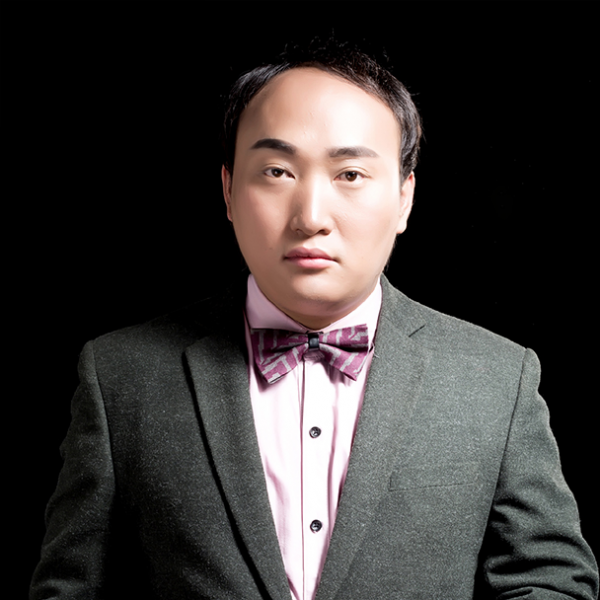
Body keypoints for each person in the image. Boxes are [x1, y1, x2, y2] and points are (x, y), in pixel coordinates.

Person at [30, 43, 598, 600]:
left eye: (350, 174)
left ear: (404, 198)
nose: (311, 217)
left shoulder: (496, 379)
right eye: (277, 171)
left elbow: (550, 580)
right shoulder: (120, 375)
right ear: (228, 190)